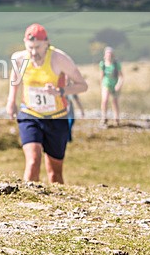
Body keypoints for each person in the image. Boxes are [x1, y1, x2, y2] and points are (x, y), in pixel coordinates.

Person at [6, 24, 88, 184]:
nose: (34, 52)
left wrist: (60, 91)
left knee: (55, 174)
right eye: (30, 47)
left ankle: (57, 199)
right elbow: (15, 79)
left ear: (46, 43)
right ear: (25, 43)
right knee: (33, 161)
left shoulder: (59, 59)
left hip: (57, 118)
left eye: (38, 47)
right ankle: (28, 196)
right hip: (30, 114)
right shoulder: (19, 59)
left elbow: (82, 86)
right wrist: (11, 100)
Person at [99, 46, 124, 127]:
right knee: (104, 100)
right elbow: (101, 76)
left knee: (114, 102)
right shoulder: (102, 64)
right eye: (107, 54)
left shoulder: (116, 64)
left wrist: (119, 85)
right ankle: (104, 118)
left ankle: (116, 119)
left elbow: (121, 76)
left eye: (110, 54)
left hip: (115, 84)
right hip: (106, 83)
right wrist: (101, 85)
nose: (108, 55)